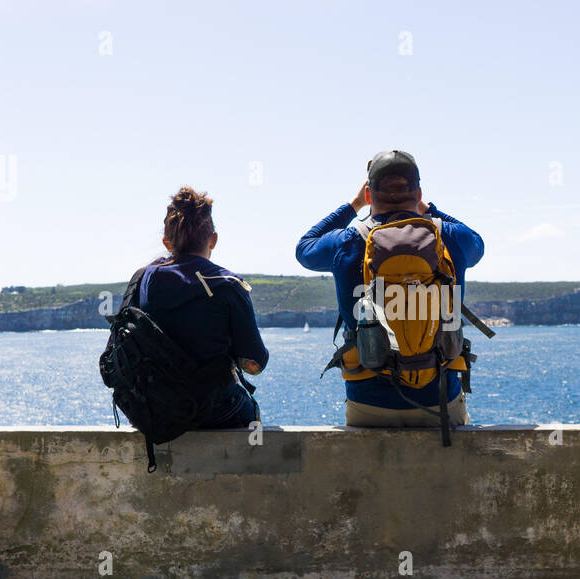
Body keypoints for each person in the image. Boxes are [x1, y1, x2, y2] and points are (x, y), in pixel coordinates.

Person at [295, 150, 484, 428]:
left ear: (370, 195)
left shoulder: (349, 240)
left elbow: (305, 248)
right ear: (418, 193)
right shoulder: (450, 237)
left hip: (369, 405)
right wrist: (429, 210)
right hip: (441, 402)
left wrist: (354, 204)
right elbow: (477, 244)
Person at [134, 186, 267, 428]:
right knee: (250, 411)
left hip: (154, 410)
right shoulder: (227, 284)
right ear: (213, 240)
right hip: (211, 409)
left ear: (167, 242)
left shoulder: (143, 279)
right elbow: (255, 362)